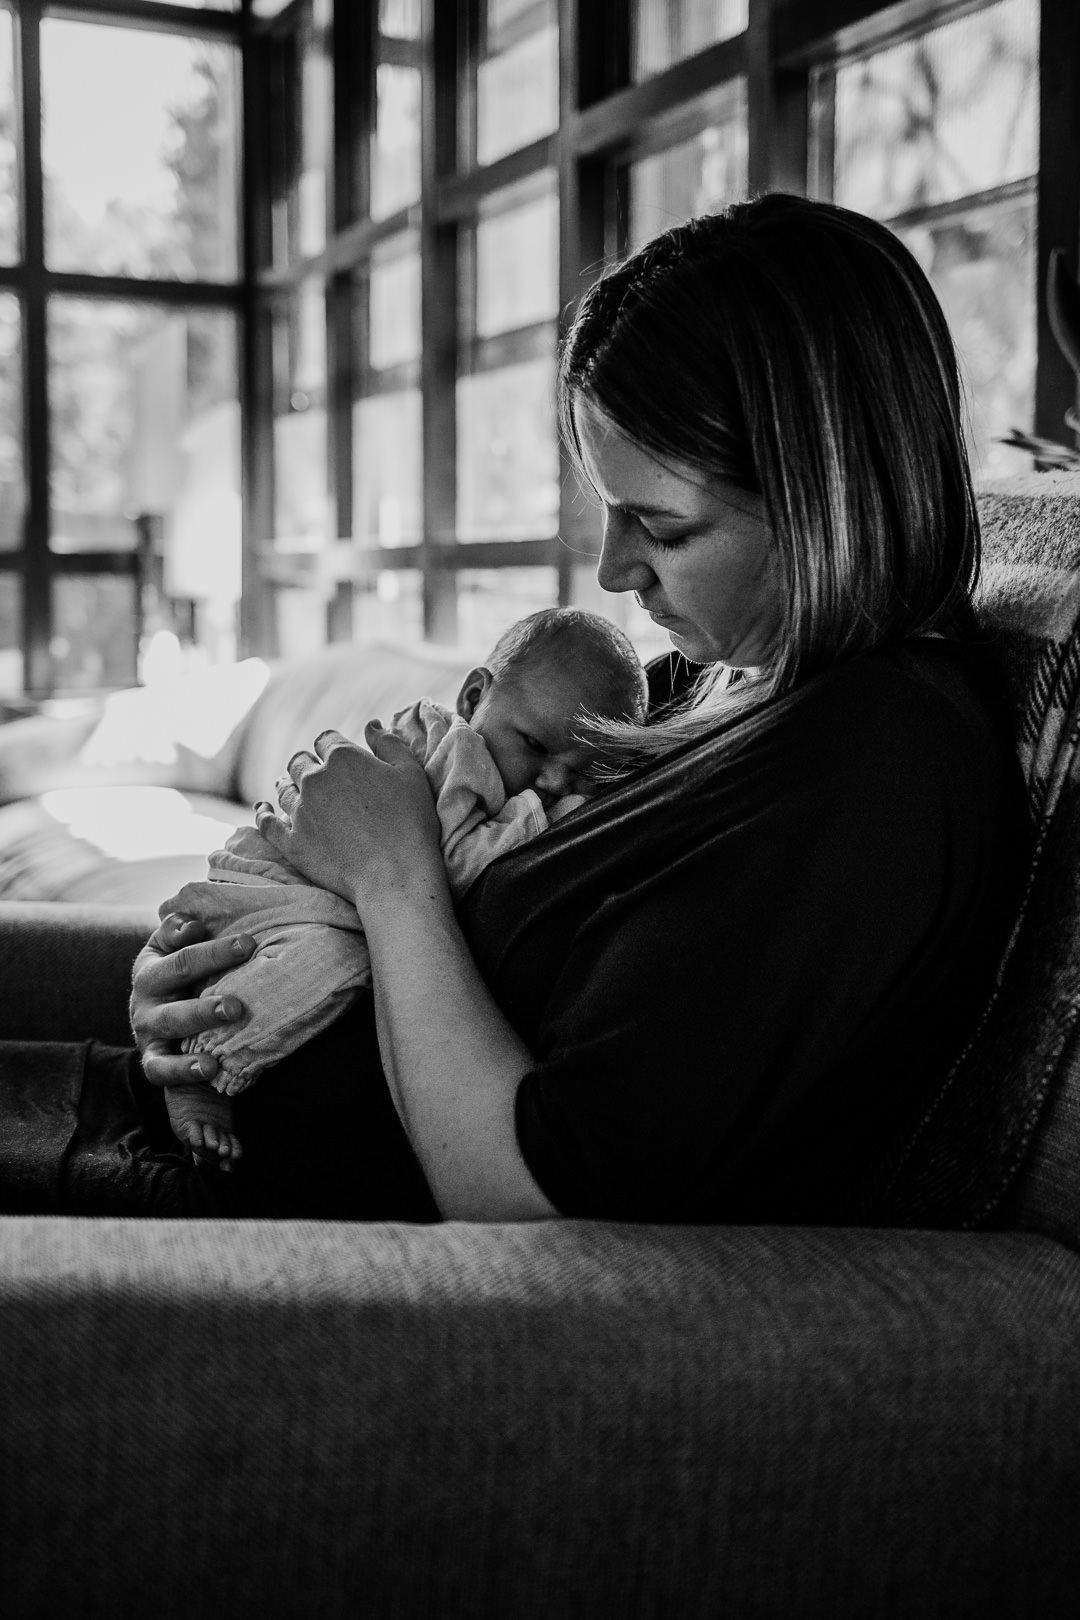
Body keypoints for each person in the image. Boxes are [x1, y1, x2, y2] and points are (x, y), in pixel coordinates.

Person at [0, 192, 1030, 1225]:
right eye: (608, 511)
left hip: (247, 1225)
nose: (615, 568)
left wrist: (388, 870)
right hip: (173, 1110)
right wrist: (184, 987)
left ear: (827, 496)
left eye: (663, 528)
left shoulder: (872, 772)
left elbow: (526, 1198)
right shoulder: (721, 685)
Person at [160, 607, 647, 1169]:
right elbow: (456, 867)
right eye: (535, 745)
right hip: (281, 888)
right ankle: (206, 1066)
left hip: (315, 904)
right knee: (325, 962)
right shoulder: (453, 755)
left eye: (589, 772)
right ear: (472, 700)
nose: (557, 782)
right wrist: (551, 818)